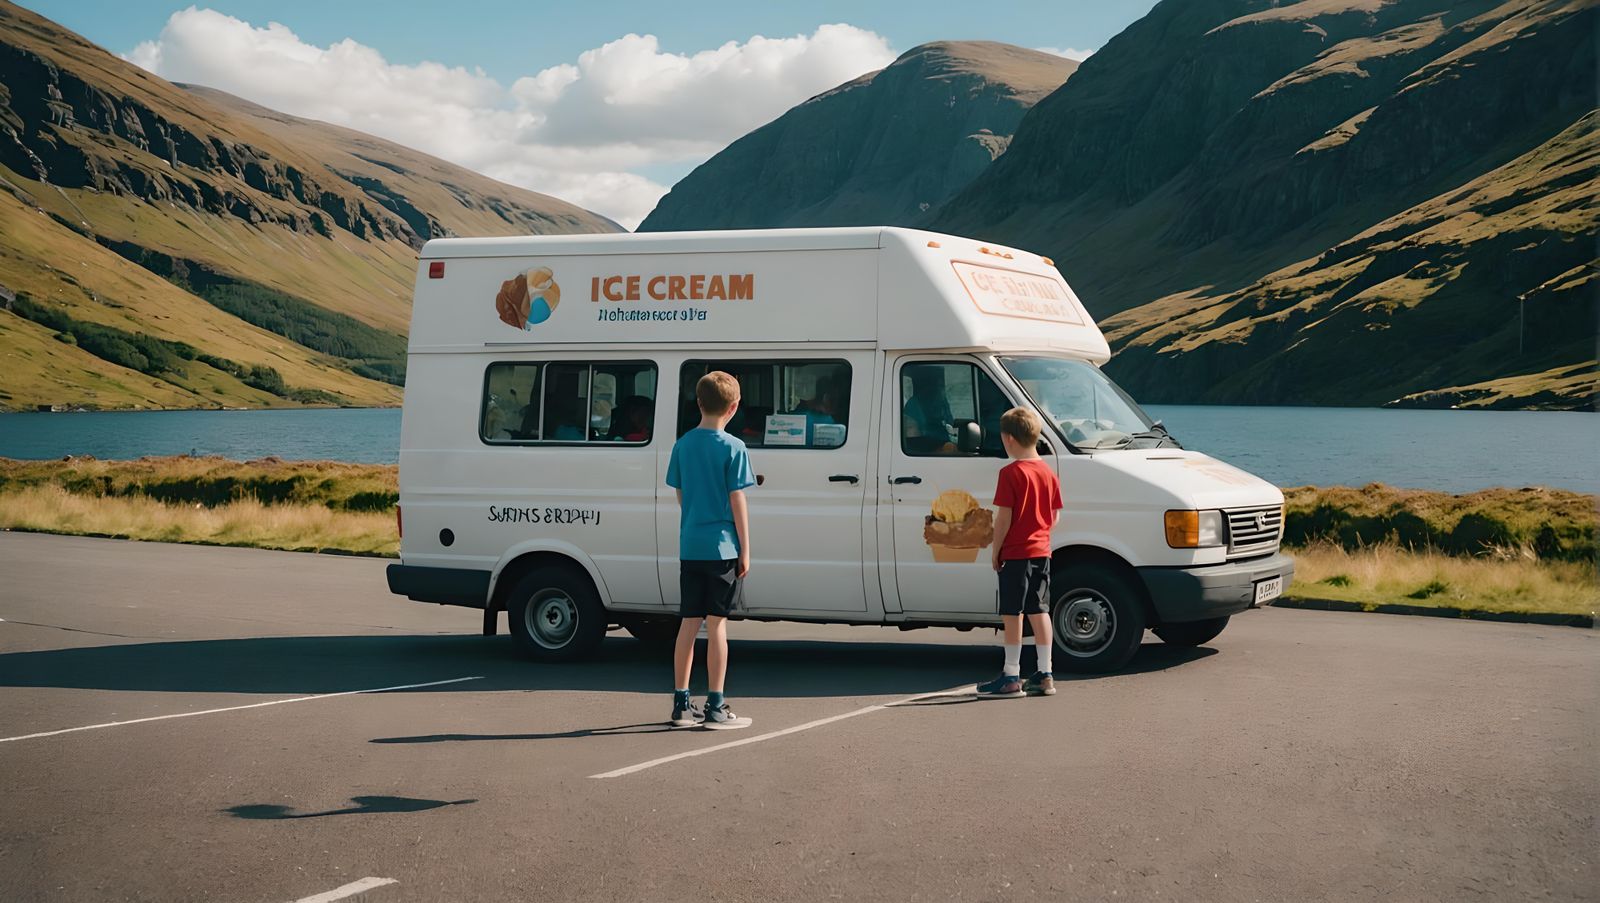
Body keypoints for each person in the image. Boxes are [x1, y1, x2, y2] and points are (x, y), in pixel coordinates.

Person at [664, 371, 757, 729]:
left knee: (688, 624)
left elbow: (681, 494)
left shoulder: (683, 445)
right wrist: (745, 550)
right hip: (722, 549)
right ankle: (716, 705)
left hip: (691, 546)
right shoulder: (734, 448)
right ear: (733, 407)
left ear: (699, 403)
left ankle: (681, 704)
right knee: (716, 626)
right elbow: (738, 501)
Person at [976, 406, 1063, 699]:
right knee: (1040, 610)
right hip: (1042, 551)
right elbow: (1054, 517)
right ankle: (1045, 672)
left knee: (1013, 613)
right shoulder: (1048, 472)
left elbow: (1004, 518)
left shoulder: (1011, 473)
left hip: (1015, 553)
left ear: (1010, 439)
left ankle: (1011, 675)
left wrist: (995, 549)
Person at [902, 367, 956, 454]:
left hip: (941, 439)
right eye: (939, 385)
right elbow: (912, 433)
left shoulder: (941, 401)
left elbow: (950, 421)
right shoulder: (914, 404)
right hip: (924, 445)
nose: (942, 389)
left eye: (942, 386)